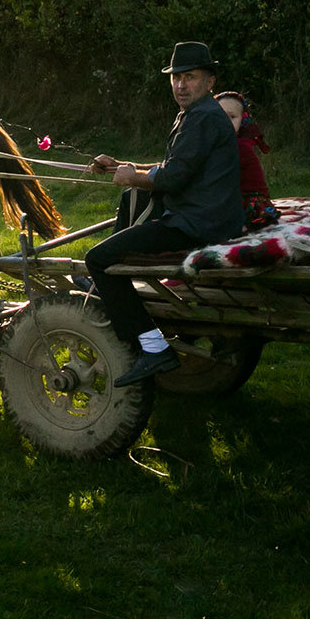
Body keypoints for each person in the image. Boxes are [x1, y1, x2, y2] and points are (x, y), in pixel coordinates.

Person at [86, 42, 244, 386]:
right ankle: (107, 292)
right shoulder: (196, 114)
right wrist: (124, 167)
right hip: (203, 216)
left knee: (98, 259)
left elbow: (171, 178)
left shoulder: (201, 117)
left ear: (210, 81)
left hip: (199, 224)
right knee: (131, 206)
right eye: (176, 78)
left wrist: (135, 178)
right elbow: (173, 168)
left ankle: (154, 347)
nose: (181, 85)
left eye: (190, 77)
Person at [215, 91, 279, 230]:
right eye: (219, 116)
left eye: (232, 117)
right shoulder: (219, 143)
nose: (225, 122)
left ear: (242, 121)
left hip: (250, 201)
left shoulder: (239, 146)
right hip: (232, 195)